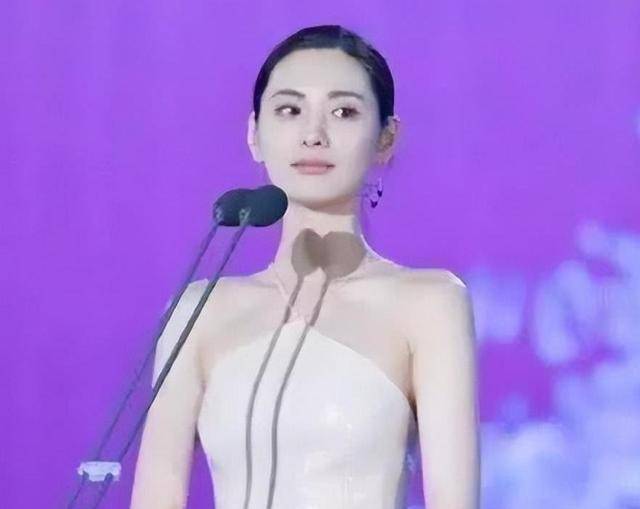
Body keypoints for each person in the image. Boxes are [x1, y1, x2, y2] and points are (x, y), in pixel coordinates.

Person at [130, 24, 479, 509]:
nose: (313, 135)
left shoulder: (430, 303)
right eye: (290, 110)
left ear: (386, 138)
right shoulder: (198, 310)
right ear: (254, 134)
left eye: (344, 112)